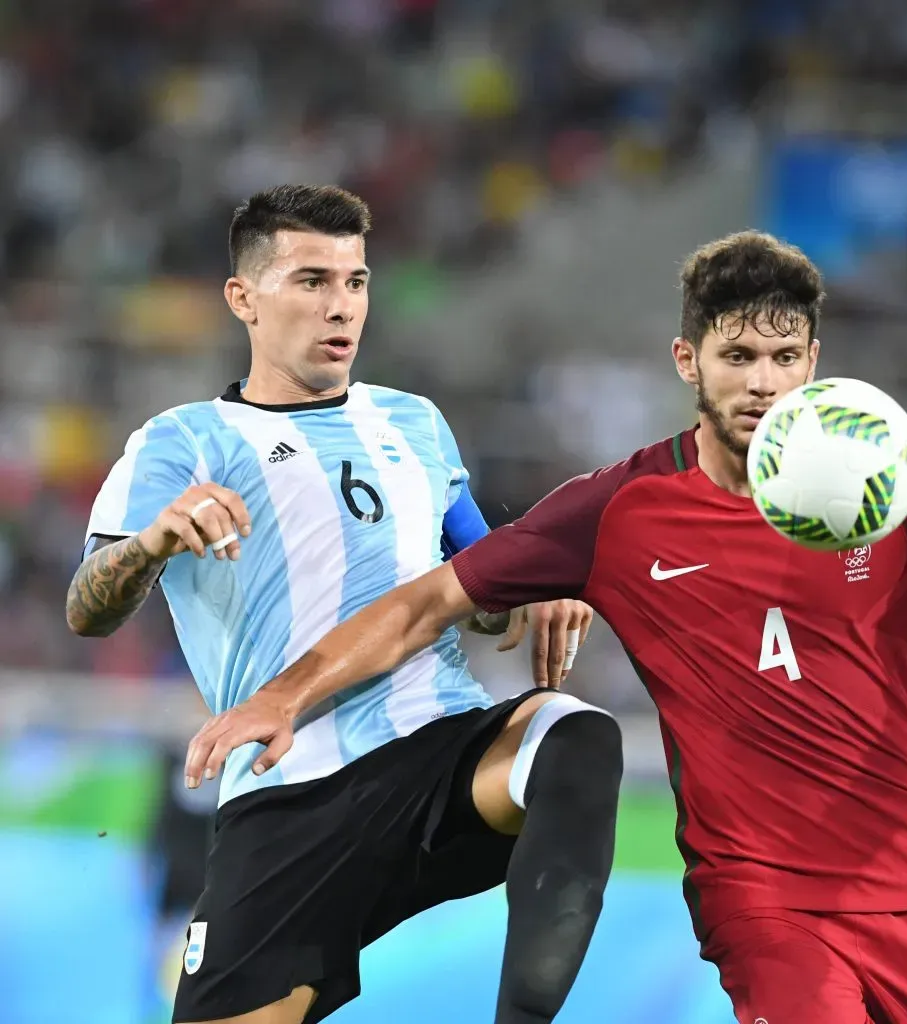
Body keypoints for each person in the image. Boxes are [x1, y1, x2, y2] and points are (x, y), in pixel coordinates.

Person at [186, 230, 907, 1024]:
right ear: (688, 360)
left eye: (783, 357)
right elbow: (424, 604)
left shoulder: (889, 481)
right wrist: (286, 695)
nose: (763, 384)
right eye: (737, 357)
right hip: (766, 898)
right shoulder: (621, 509)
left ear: (812, 361)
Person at [66, 183, 624, 1024]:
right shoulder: (181, 441)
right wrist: (149, 545)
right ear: (244, 298)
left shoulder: (414, 423)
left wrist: (534, 588)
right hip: (289, 796)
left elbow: (480, 590)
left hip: (436, 753)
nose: (342, 306)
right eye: (312, 281)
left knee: (573, 735)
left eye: (355, 281)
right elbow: (86, 609)